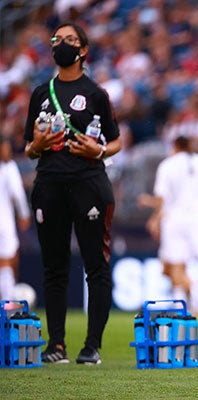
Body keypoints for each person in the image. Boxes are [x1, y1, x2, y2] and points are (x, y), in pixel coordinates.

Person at [23, 22, 122, 364]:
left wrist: (97, 152)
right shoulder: (40, 93)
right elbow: (28, 147)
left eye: (69, 40)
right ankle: (56, 345)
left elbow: (116, 140)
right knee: (54, 266)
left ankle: (92, 346)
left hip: (88, 183)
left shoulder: (96, 93)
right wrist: (36, 145)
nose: (61, 44)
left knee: (96, 265)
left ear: (83, 50)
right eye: (56, 39)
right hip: (49, 184)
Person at [137, 135, 198, 317]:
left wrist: (155, 218)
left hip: (174, 218)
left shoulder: (167, 165)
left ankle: (179, 305)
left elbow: (161, 198)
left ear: (175, 145)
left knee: (176, 263)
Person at [0, 137, 31, 301]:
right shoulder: (9, 167)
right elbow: (18, 194)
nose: (8, 153)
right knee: (8, 261)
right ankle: (7, 303)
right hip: (4, 224)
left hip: (5, 222)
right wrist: (24, 214)